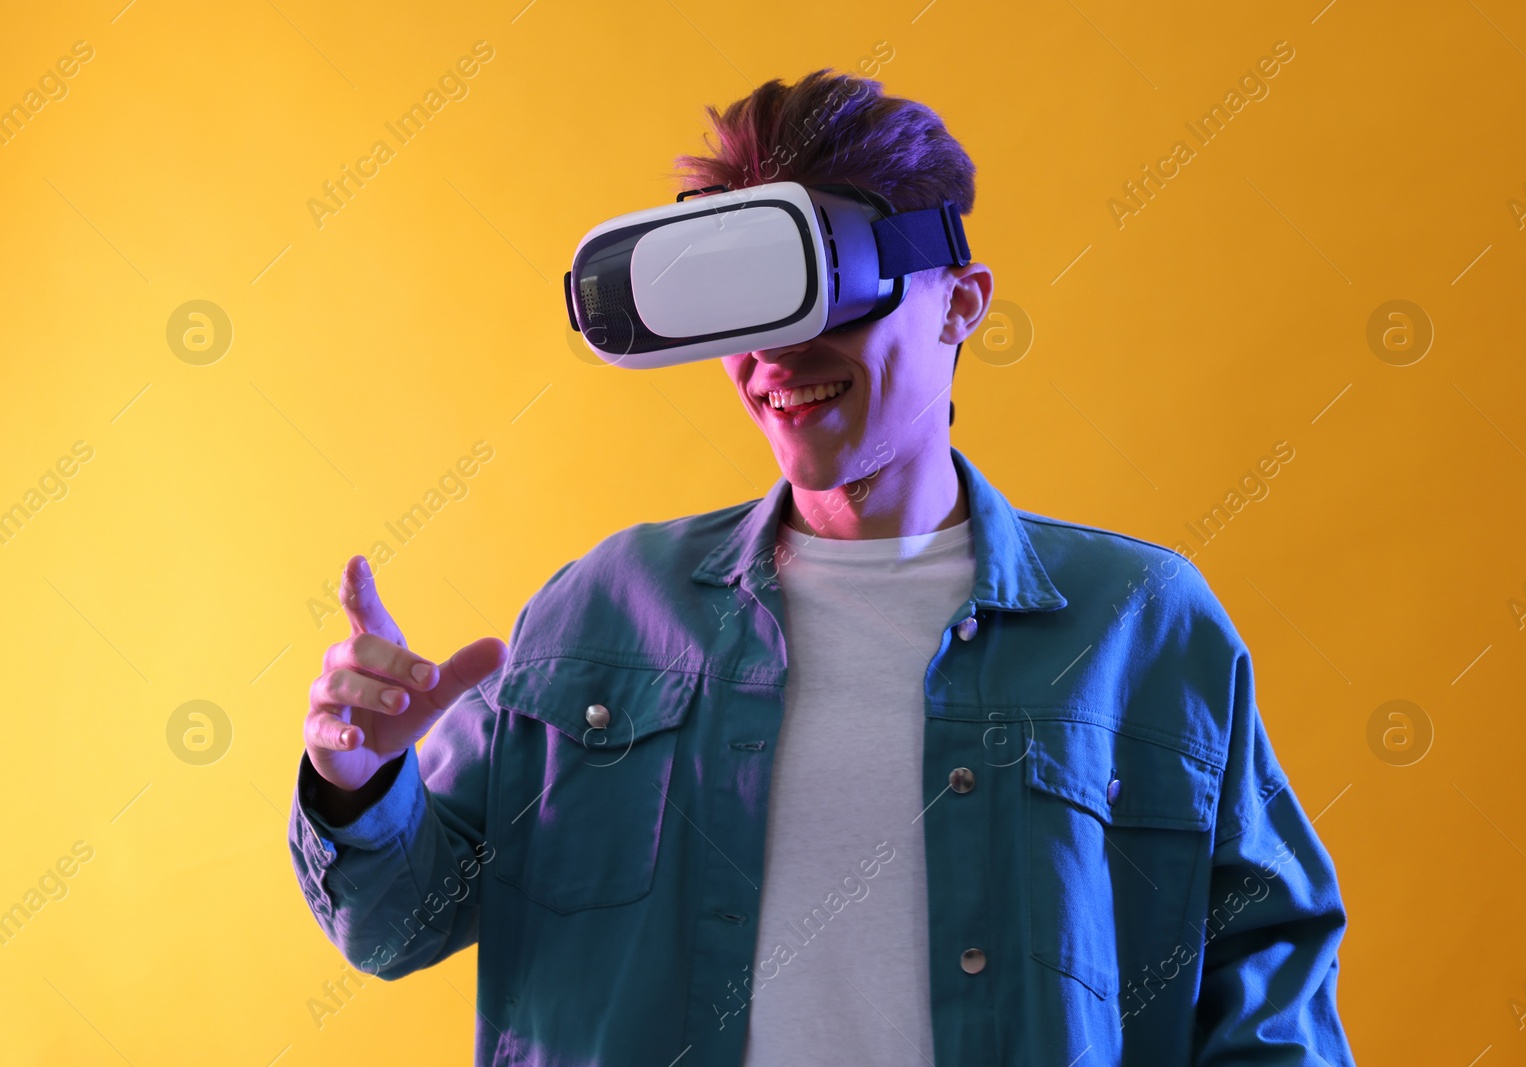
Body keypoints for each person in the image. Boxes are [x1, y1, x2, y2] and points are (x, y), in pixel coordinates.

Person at [288, 68, 1356, 1066]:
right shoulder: (602, 613)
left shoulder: (1140, 626)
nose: (779, 359)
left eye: (835, 297)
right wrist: (354, 779)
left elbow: (1268, 980)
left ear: (961, 300)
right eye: (743, 313)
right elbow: (394, 923)